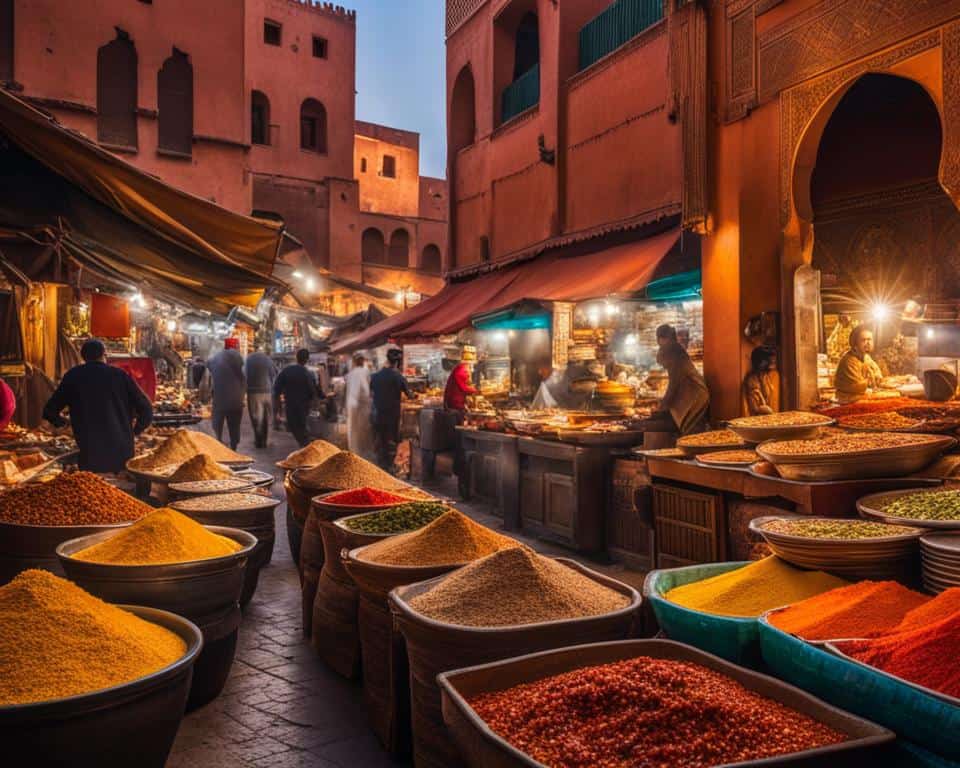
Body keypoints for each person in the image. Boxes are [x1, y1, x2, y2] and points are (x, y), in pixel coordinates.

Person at [42, 339, 153, 472]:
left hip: (91, 453)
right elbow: (146, 409)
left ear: (83, 357)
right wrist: (134, 432)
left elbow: (49, 411)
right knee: (122, 490)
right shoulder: (120, 376)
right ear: (103, 355)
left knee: (94, 489)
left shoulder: (73, 376)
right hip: (121, 453)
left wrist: (65, 424)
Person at [647, 324, 709, 436]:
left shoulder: (672, 351)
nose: (664, 366)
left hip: (695, 397)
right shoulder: (672, 348)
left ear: (662, 338)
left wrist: (663, 405)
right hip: (693, 395)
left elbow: (674, 384)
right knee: (689, 432)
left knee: (691, 433)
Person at [370, 347, 413, 471]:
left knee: (381, 439)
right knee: (392, 441)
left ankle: (380, 465)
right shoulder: (398, 377)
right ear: (397, 362)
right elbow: (409, 394)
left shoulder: (375, 376)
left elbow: (371, 392)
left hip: (378, 413)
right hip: (392, 415)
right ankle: (389, 467)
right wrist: (413, 395)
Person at [273, 348, 320, 447]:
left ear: (296, 357)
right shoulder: (308, 373)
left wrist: (278, 410)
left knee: (295, 428)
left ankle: (304, 446)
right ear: (307, 359)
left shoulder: (286, 371)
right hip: (304, 406)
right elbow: (313, 391)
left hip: (290, 405)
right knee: (302, 427)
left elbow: (276, 390)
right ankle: (305, 446)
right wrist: (315, 404)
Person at [206, 338, 246, 450]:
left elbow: (208, 363)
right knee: (234, 425)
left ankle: (217, 445)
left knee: (217, 425)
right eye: (237, 345)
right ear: (234, 346)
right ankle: (234, 446)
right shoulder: (236, 355)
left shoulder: (217, 357)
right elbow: (242, 374)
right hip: (235, 399)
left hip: (219, 397)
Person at [835, 326, 883, 403]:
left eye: (869, 339)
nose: (868, 343)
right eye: (864, 340)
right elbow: (856, 386)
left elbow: (877, 372)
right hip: (847, 400)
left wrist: (877, 376)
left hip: (862, 396)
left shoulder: (866, 357)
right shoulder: (849, 360)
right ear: (854, 343)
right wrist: (872, 380)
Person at [245, 345, 277, 449]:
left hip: (253, 392)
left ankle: (258, 440)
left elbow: (243, 375)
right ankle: (265, 440)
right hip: (267, 392)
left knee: (256, 417)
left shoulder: (248, 360)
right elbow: (273, 374)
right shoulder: (268, 360)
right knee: (266, 416)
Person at [344, 354, 373, 457]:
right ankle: (362, 454)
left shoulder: (350, 374)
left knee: (352, 429)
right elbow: (365, 390)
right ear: (362, 362)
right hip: (361, 405)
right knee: (362, 429)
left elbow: (346, 391)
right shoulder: (365, 372)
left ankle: (353, 452)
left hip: (351, 404)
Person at [742, 346, 781, 416]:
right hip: (758, 420)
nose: (774, 361)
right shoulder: (752, 379)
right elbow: (755, 408)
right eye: (770, 360)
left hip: (773, 418)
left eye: (774, 360)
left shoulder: (773, 375)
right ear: (760, 362)